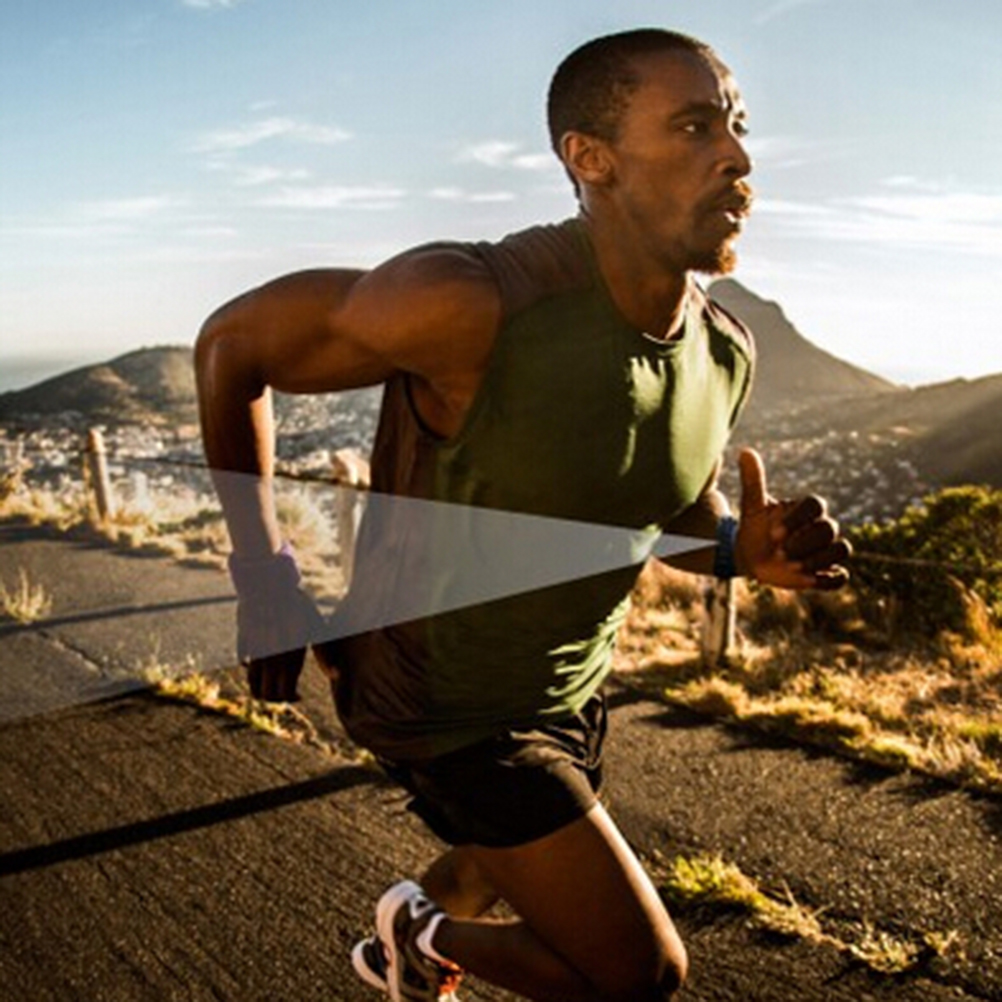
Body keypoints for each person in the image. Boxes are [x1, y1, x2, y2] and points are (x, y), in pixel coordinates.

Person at [196, 27, 851, 1002]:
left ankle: (411, 943)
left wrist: (737, 549)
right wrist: (265, 580)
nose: (738, 157)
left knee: (517, 862)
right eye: (694, 127)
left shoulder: (724, 352)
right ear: (591, 158)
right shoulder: (470, 301)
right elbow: (230, 347)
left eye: (738, 127)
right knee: (639, 973)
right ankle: (414, 931)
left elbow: (666, 508)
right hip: (443, 705)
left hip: (571, 691)